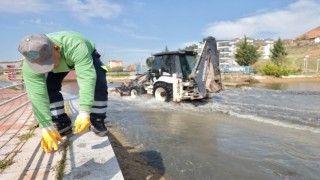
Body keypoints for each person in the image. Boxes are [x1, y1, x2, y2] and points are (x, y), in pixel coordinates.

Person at [18, 31, 108, 153]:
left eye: (49, 62)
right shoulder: (29, 63)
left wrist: (84, 112)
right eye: (41, 66)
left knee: (99, 83)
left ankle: (97, 120)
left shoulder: (76, 45)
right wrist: (45, 126)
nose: (48, 68)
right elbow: (36, 94)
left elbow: (86, 78)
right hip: (61, 58)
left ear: (56, 48)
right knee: (49, 88)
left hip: (84, 55)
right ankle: (61, 123)